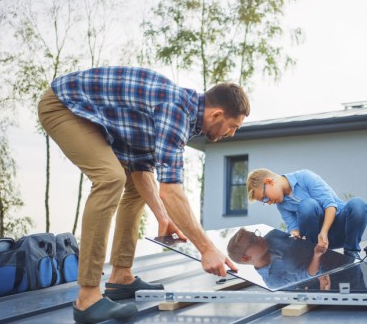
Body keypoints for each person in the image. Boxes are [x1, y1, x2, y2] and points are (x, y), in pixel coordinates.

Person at [37, 66, 248, 323]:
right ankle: (87, 298)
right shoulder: (175, 109)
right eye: (233, 126)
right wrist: (206, 248)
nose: (232, 134)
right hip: (64, 106)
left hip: (87, 113)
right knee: (110, 177)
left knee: (133, 185)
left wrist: (163, 216)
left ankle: (121, 276)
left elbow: (141, 170)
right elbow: (171, 190)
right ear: (217, 114)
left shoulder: (183, 115)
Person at [246, 168, 367, 260]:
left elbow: (330, 206)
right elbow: (293, 228)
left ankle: (351, 251)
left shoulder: (305, 177)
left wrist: (324, 232)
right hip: (317, 241)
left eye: (265, 198)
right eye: (264, 202)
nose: (268, 203)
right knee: (307, 206)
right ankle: (312, 255)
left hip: (339, 229)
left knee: (358, 204)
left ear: (269, 182)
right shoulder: (281, 203)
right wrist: (294, 234)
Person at [226, 228, 328, 290]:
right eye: (252, 240)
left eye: (255, 235)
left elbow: (293, 228)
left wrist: (296, 231)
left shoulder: (272, 236)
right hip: (325, 269)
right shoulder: (273, 281)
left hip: (322, 242)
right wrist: (316, 255)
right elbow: (307, 274)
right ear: (246, 258)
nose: (259, 238)